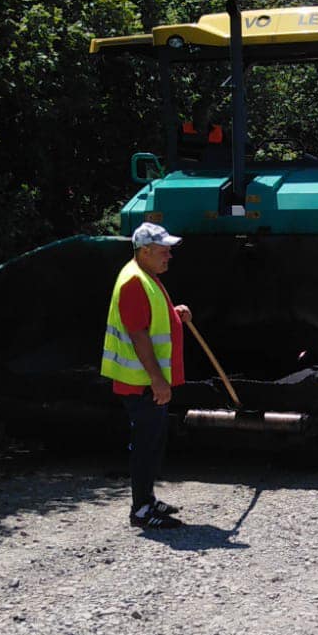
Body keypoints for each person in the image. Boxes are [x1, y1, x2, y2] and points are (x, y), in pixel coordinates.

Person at [101, 223, 192, 531]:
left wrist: (174, 313)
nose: (169, 256)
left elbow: (149, 318)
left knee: (153, 442)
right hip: (141, 382)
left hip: (146, 381)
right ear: (145, 251)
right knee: (145, 445)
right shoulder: (134, 282)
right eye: (164, 250)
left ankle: (148, 499)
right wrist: (157, 379)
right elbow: (138, 334)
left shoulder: (146, 276)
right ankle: (141, 510)